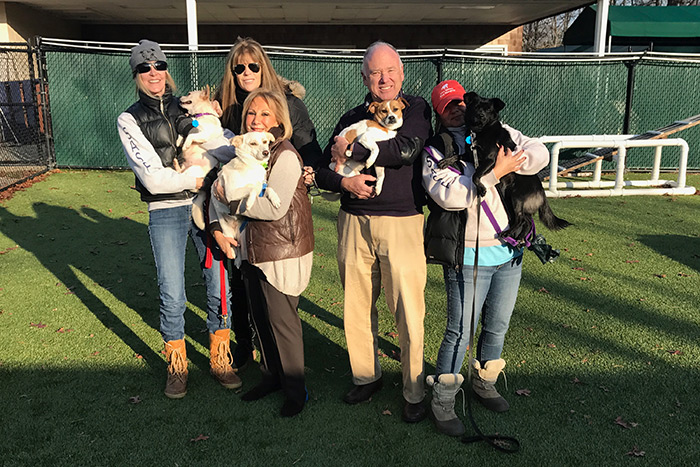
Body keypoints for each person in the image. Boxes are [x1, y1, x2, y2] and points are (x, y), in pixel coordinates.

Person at [421, 80, 549, 436]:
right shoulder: (436, 149)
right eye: (448, 106)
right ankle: (444, 401)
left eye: (460, 102)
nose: (457, 108)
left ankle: (484, 381)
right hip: (469, 252)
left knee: (497, 325)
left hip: (509, 249)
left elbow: (539, 153)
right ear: (438, 112)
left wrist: (515, 163)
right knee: (459, 331)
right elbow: (449, 198)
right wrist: (496, 172)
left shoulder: (499, 131)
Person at [314, 41, 431, 423]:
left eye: (390, 71)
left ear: (402, 73)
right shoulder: (352, 115)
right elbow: (322, 169)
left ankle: (414, 389)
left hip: (402, 221)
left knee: (408, 310)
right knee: (357, 307)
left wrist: (351, 152)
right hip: (352, 222)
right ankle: (366, 376)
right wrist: (345, 183)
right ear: (364, 77)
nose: (384, 79)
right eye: (376, 73)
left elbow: (404, 148)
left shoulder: (415, 109)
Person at [117, 39, 241, 399]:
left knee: (219, 286)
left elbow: (222, 144)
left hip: (208, 205)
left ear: (166, 68)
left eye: (157, 65)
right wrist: (197, 177)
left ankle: (220, 357)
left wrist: (215, 161)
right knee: (172, 293)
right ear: (137, 74)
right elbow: (153, 179)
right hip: (166, 209)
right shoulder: (129, 118)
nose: (153, 73)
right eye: (144, 68)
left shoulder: (189, 106)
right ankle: (177, 364)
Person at [214, 36, 322, 371]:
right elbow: (221, 164)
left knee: (277, 298)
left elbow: (308, 149)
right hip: (241, 218)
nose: (246, 72)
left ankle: (285, 371)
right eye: (239, 67)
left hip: (274, 220)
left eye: (252, 65)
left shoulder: (288, 108)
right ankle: (250, 349)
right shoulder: (230, 110)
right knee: (244, 287)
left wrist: (310, 172)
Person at [211, 89, 314, 417]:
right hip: (252, 248)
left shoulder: (284, 154)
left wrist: (232, 200)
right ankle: (271, 377)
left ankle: (296, 391)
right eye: (251, 114)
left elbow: (275, 207)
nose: (257, 119)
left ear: (279, 120)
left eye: (265, 114)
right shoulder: (246, 153)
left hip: (282, 250)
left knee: (282, 323)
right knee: (261, 319)